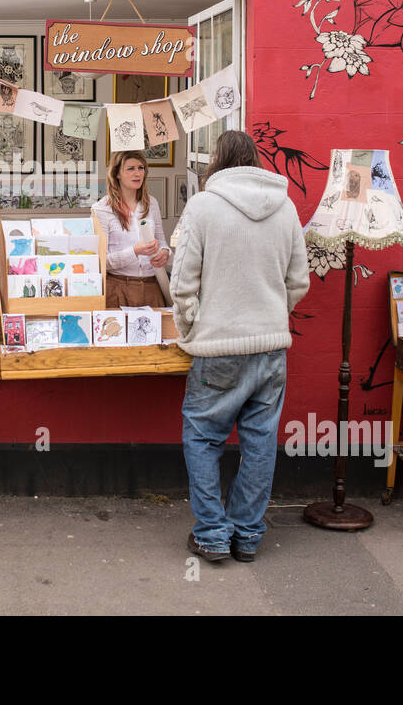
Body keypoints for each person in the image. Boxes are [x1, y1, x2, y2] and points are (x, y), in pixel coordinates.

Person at [170, 130, 309, 563]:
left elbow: (182, 283)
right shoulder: (285, 208)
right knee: (261, 442)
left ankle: (212, 532)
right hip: (270, 347)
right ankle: (247, 536)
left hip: (218, 348)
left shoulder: (203, 206)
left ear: (218, 159)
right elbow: (299, 282)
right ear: (253, 161)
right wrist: (270, 311)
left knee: (203, 436)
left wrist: (191, 327)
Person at [92, 151, 170, 309]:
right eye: (130, 169)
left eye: (141, 168)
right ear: (117, 174)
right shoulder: (101, 209)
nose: (137, 173)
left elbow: (162, 241)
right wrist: (135, 251)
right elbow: (101, 261)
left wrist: (165, 253)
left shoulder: (151, 203)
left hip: (152, 287)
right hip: (118, 289)